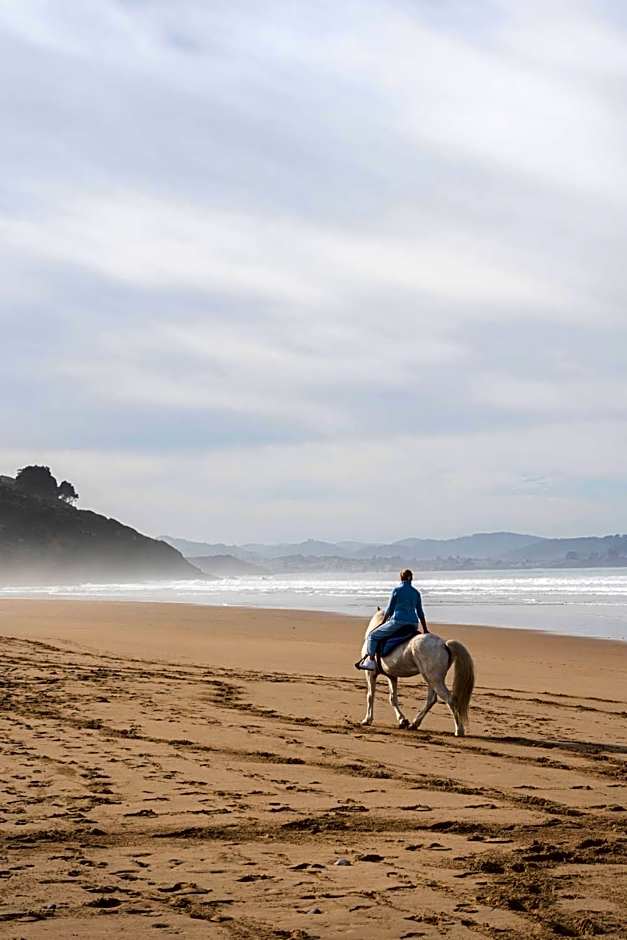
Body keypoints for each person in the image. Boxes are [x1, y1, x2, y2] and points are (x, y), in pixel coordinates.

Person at [357, 569, 429, 670]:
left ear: (401, 578)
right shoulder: (416, 593)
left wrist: (382, 622)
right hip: (413, 623)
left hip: (398, 622)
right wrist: (425, 629)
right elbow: (420, 612)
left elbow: (390, 609)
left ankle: (371, 661)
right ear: (411, 578)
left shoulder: (397, 590)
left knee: (372, 636)